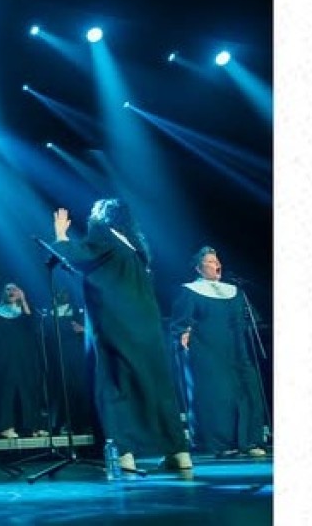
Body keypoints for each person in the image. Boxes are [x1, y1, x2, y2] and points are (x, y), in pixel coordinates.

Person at [51, 201, 191, 471]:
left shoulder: (102, 234)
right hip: (146, 323)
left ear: (102, 215)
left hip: (116, 321)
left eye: (94, 212)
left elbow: (78, 256)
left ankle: (124, 452)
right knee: (155, 384)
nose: (90, 217)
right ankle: (178, 451)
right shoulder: (134, 246)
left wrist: (60, 235)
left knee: (114, 381)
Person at [169, 246, 267, 458]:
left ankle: (250, 441)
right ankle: (221, 443)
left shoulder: (235, 291)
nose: (217, 264)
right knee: (218, 396)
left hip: (237, 350)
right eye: (211, 261)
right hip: (207, 351)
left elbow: (250, 318)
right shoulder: (190, 291)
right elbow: (181, 321)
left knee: (246, 389)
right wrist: (184, 332)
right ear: (198, 268)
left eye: (217, 260)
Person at [0, 283, 47, 439]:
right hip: (4, 357)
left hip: (26, 358)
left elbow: (33, 326)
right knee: (7, 390)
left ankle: (32, 426)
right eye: (7, 289)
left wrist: (23, 301)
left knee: (28, 390)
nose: (11, 291)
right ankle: (6, 426)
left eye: (14, 289)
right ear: (2, 293)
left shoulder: (24, 312)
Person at [45, 289, 96, 435]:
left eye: (64, 293)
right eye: (58, 293)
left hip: (77, 357)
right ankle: (63, 423)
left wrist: (83, 330)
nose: (61, 295)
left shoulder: (78, 311)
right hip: (57, 357)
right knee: (62, 390)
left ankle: (82, 423)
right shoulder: (49, 314)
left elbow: (95, 330)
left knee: (79, 388)